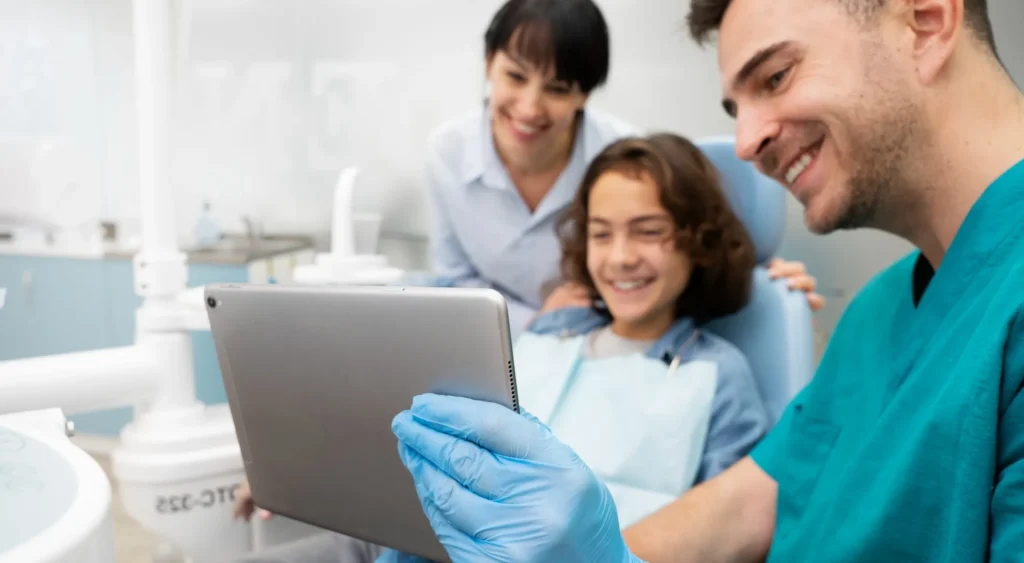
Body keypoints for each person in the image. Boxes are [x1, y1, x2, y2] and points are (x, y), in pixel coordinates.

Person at [390, 0, 1024, 561]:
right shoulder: (876, 317)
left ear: (927, 19)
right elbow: (754, 500)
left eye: (776, 76)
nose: (744, 144)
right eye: (736, 107)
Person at [233, 132, 773, 562]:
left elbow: (729, 531)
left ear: (697, 239)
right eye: (602, 234)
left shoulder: (718, 375)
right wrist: (300, 470)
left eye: (649, 231)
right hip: (403, 537)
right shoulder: (551, 332)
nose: (620, 258)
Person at [423, 0, 823, 334]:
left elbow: (692, 249)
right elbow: (454, 285)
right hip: (504, 342)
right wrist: (539, 318)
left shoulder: (623, 161)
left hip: (601, 339)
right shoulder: (447, 153)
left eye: (557, 89)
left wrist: (764, 280)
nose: (529, 107)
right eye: (514, 76)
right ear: (489, 62)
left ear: (585, 95)